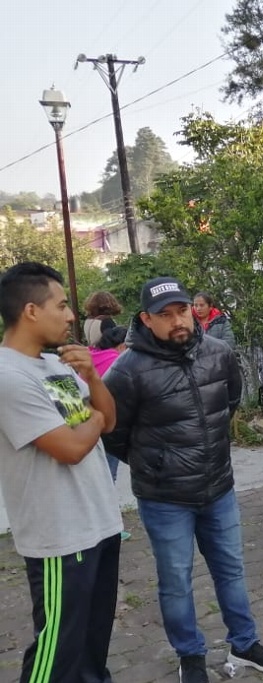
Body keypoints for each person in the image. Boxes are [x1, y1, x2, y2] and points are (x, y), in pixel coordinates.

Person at [103, 277, 263, 683]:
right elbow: (113, 433)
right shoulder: (127, 371)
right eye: (165, 315)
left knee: (231, 571)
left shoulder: (219, 353)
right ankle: (190, 655)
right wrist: (157, 464)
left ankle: (244, 642)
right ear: (146, 320)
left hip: (219, 488)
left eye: (182, 310)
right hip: (165, 499)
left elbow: (229, 402)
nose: (177, 321)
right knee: (176, 583)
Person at [0, 262, 123, 683]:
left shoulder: (57, 365)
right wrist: (93, 419)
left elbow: (109, 420)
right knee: (56, 655)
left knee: (91, 649)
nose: (71, 315)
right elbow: (70, 449)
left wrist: (91, 377)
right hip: (61, 536)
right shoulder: (8, 376)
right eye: (62, 305)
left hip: (100, 523)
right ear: (31, 311)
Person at [89, 325, 130, 483]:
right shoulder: (116, 363)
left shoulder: (91, 357)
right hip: (108, 423)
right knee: (108, 474)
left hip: (86, 422)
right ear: (122, 346)